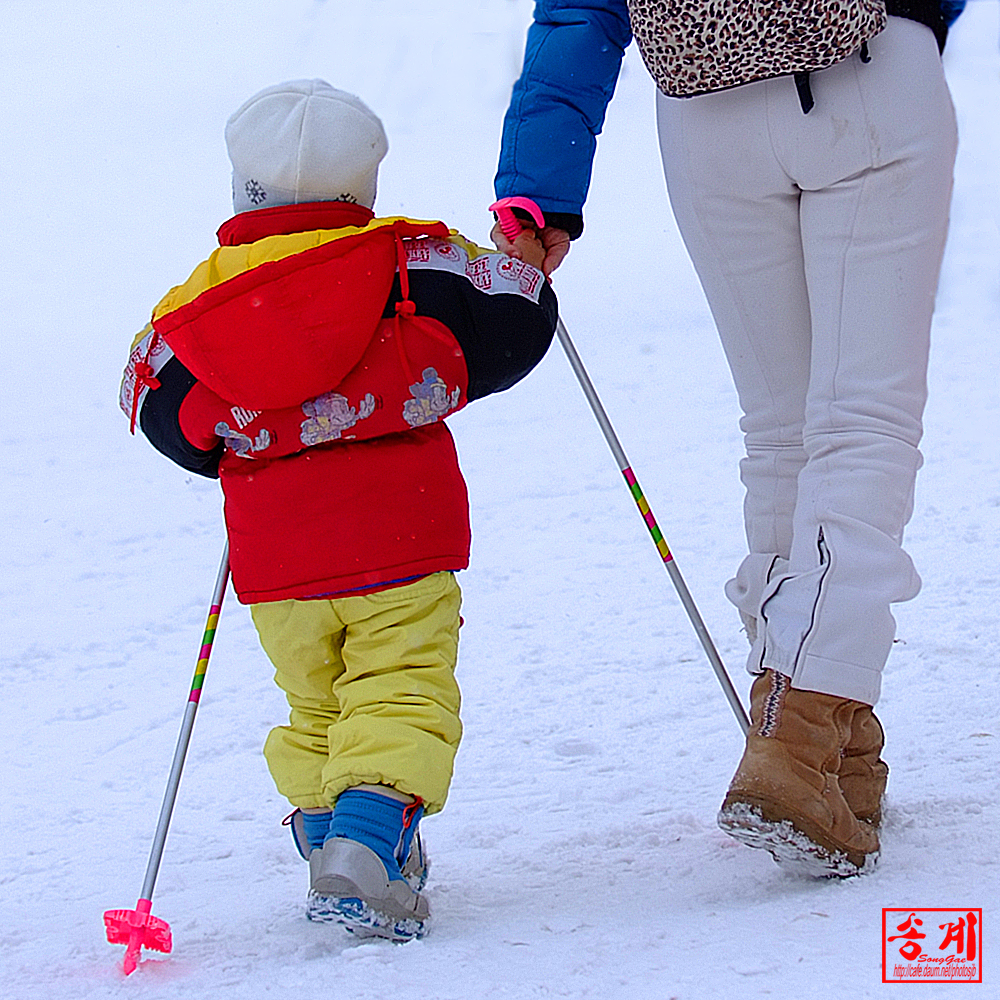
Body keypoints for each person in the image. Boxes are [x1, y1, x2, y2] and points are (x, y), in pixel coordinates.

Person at [493, 1, 966, 876]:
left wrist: (538, 190)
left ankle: (831, 745)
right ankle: (801, 731)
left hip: (705, 109)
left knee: (782, 434)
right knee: (862, 422)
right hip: (871, 65)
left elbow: (577, 12)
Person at [121, 79, 557, 939]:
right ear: (364, 187)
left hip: (278, 565)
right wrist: (526, 258)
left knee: (318, 703)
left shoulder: (195, 311)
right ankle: (365, 856)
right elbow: (514, 317)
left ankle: (337, 843)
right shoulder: (412, 267)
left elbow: (154, 405)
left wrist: (232, 441)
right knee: (397, 689)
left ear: (243, 186)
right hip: (402, 537)